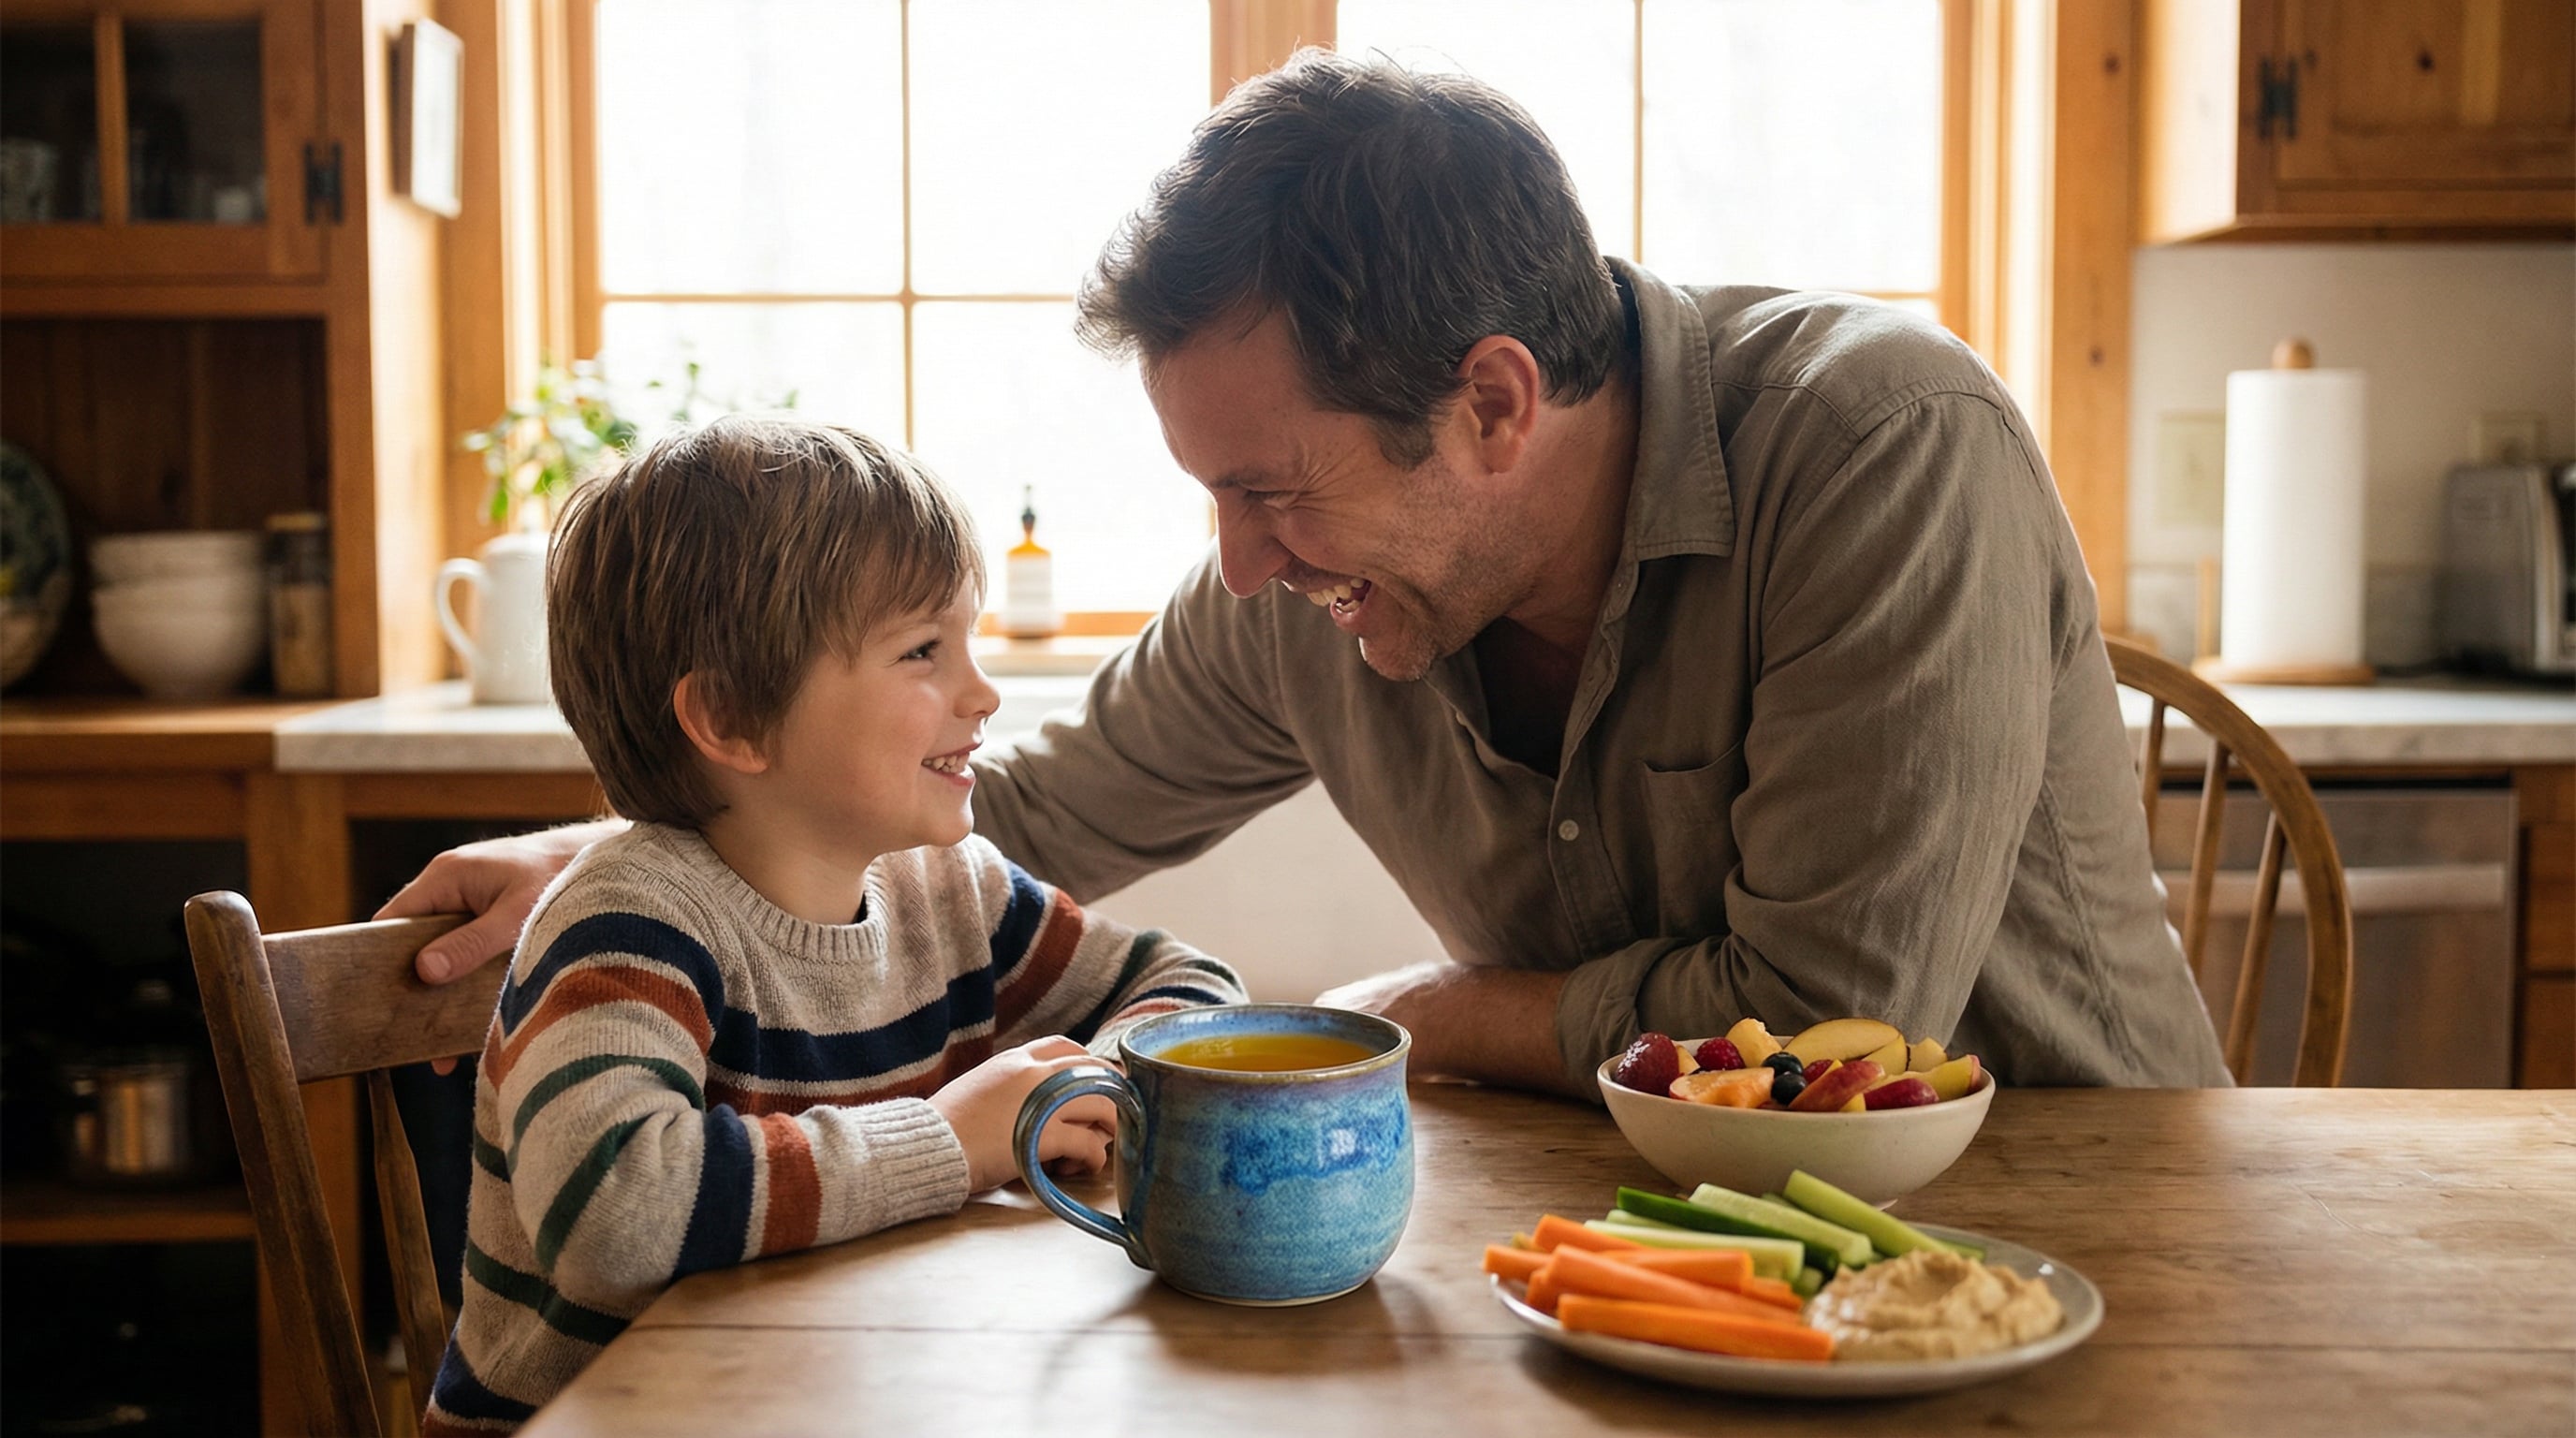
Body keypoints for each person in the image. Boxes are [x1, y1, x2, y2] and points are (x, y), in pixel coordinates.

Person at [388, 51, 2226, 1102]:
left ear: (1489, 403)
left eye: (1266, 490)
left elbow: (1824, 1020)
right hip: (1623, 1249)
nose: (1238, 563)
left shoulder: (1881, 445)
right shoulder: (1293, 591)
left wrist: (1413, 1016)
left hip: (2073, 1229)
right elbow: (1014, 815)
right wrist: (652, 852)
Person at [418, 418, 1245, 1434]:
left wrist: (1084, 1088)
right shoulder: (627, 923)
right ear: (731, 719)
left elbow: (1191, 989)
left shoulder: (948, 888)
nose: (982, 693)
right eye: (922, 651)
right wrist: (953, 1138)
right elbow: (610, 1216)